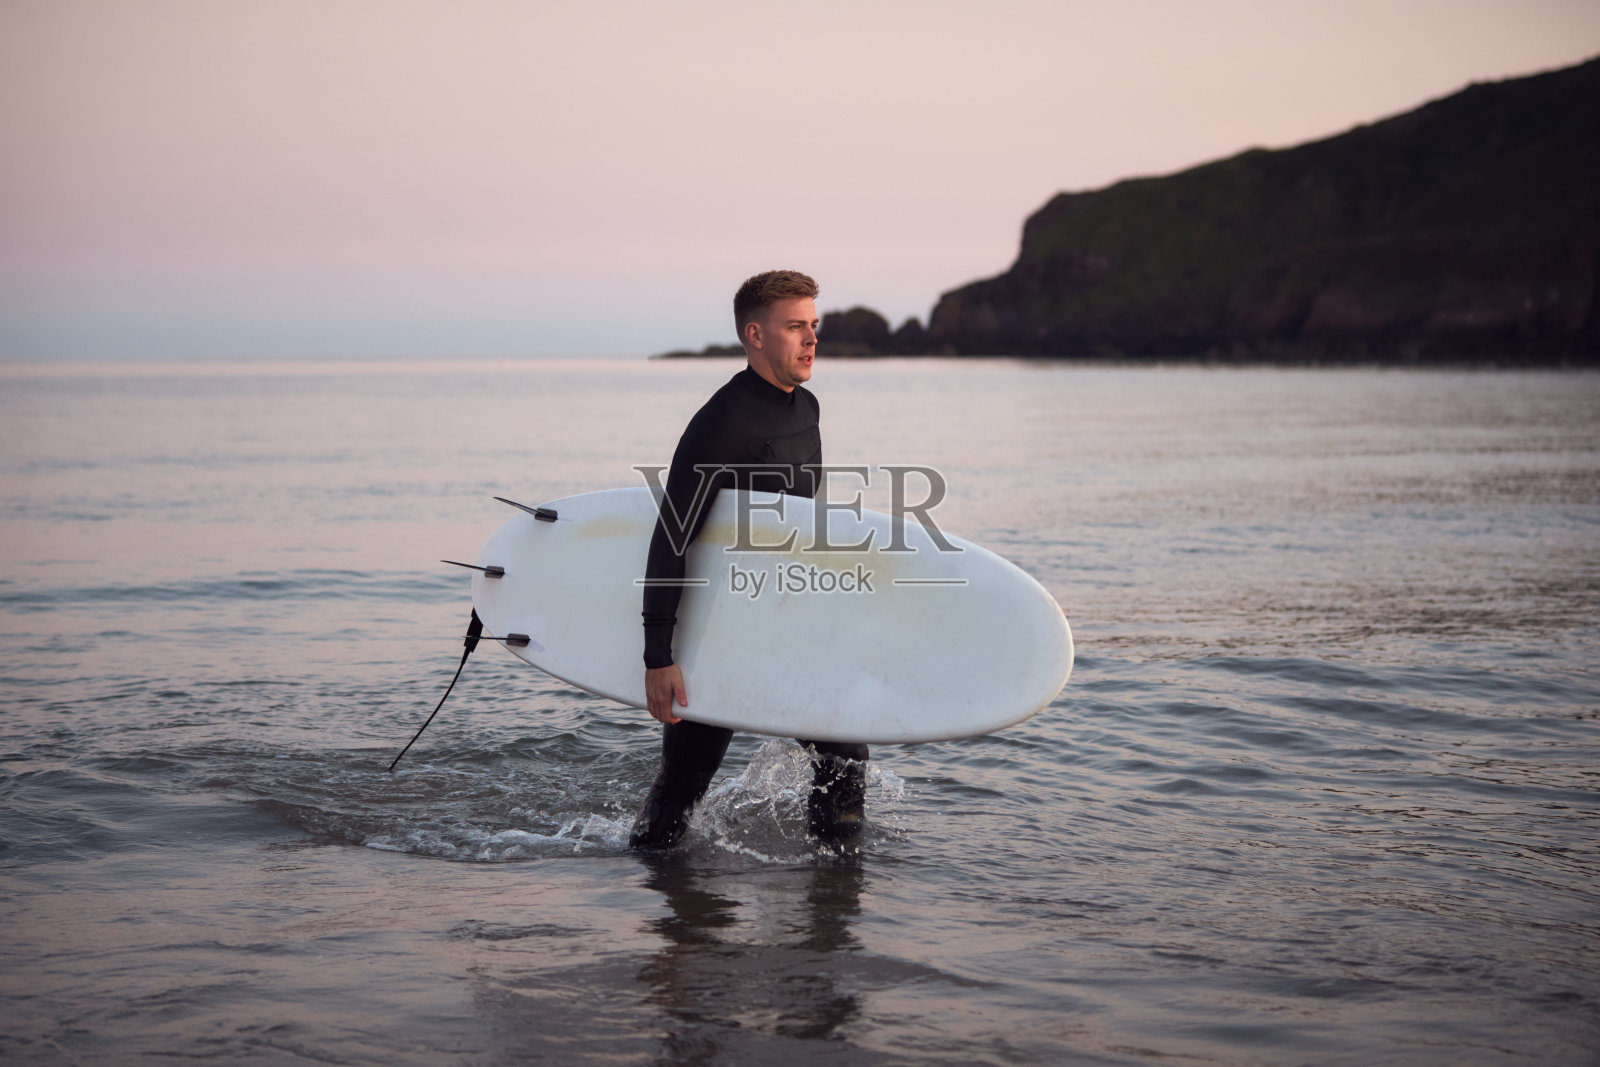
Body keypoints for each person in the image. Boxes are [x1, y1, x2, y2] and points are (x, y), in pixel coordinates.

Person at [630, 270, 869, 851]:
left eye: (814, 325)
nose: (811, 339)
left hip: (782, 624)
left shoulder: (806, 407)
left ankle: (834, 887)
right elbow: (672, 536)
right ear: (755, 335)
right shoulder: (722, 423)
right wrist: (659, 656)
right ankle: (654, 887)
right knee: (683, 788)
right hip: (719, 633)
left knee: (845, 757)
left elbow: (797, 526)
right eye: (795, 326)